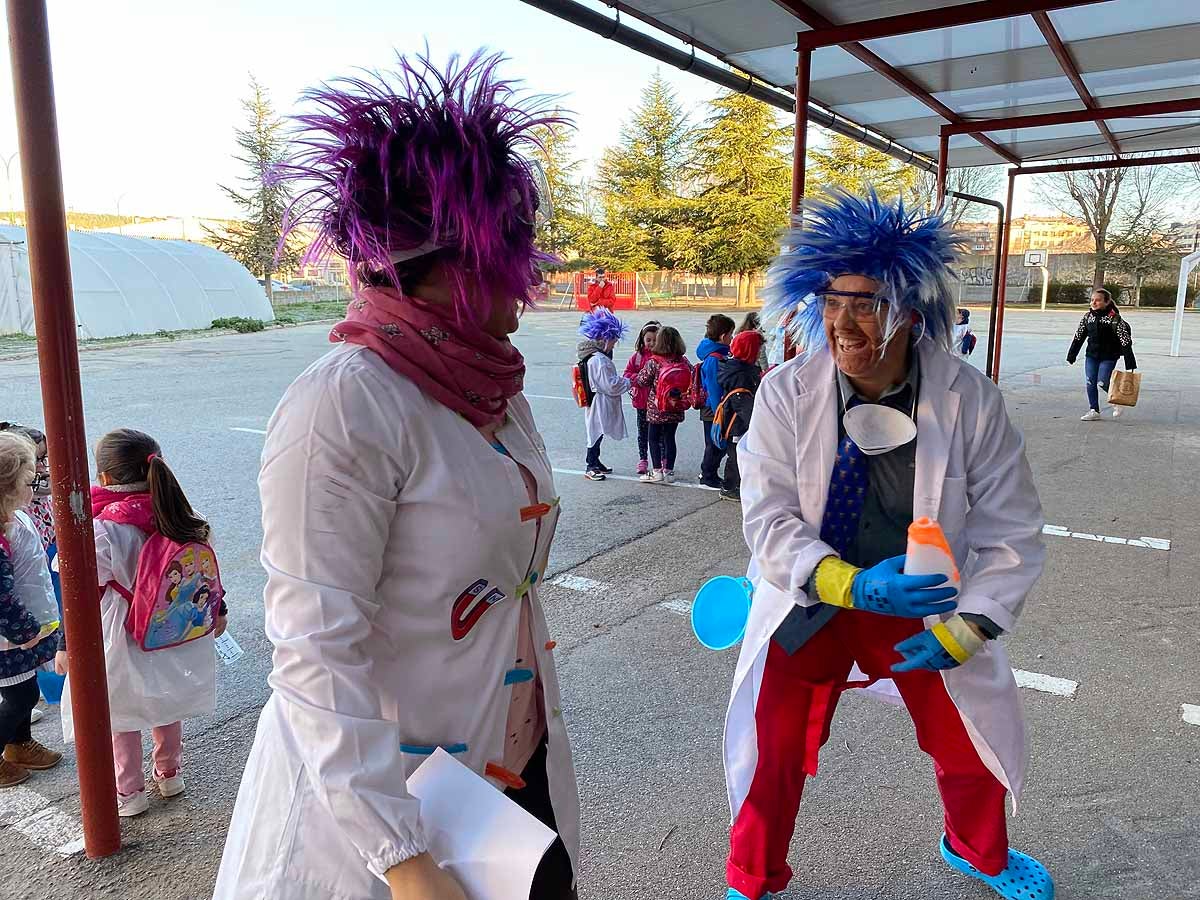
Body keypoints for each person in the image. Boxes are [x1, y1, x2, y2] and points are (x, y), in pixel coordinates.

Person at [213, 51, 580, 900]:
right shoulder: (343, 406)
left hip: (506, 774)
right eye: (510, 260)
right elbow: (313, 653)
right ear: (445, 270)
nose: (525, 290)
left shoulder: (493, 385)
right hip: (382, 820)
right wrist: (403, 861)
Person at [723, 190, 1052, 900]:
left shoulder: (969, 400)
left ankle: (974, 849)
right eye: (832, 300)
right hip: (815, 597)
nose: (842, 322)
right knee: (772, 746)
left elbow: (1012, 526)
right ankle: (753, 876)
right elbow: (768, 516)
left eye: (866, 304)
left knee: (966, 744)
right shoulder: (786, 394)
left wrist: (971, 625)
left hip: (923, 603)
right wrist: (848, 583)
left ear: (911, 309)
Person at [57, 428, 225, 816]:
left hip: (122, 631)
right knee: (166, 702)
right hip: (173, 629)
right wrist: (220, 611)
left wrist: (64, 643)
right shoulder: (187, 515)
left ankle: (129, 794)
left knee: (122, 712)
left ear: (104, 479)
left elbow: (77, 589)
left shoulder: (104, 531)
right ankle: (169, 773)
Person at [0, 431, 62, 788]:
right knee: (20, 693)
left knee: (25, 687)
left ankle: (18, 744)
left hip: (22, 628)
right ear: (6, 487)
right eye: (29, 480)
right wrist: (25, 630)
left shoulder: (13, 515)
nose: (36, 484)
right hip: (10, 634)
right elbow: (1, 598)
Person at [577, 307, 631, 481]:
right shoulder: (599, 360)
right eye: (613, 341)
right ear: (605, 339)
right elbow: (611, 385)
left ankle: (596, 461)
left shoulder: (593, 357)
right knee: (595, 431)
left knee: (598, 430)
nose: (614, 345)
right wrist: (629, 382)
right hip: (599, 400)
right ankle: (590, 465)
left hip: (597, 400)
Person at [1067, 288, 1136, 420]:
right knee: (1090, 382)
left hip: (1109, 356)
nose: (1094, 303)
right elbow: (1078, 337)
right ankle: (1094, 410)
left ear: (1107, 302)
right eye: (1092, 300)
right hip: (1091, 355)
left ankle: (1117, 401)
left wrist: (1130, 361)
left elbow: (1125, 341)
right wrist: (1072, 355)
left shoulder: (1114, 319)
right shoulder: (1088, 317)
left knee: (1102, 381)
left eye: (1098, 300)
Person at [713, 330, 765, 503]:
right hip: (736, 424)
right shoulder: (741, 375)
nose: (759, 352)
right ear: (749, 350)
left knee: (736, 455)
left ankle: (735, 485)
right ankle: (729, 487)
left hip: (734, 421)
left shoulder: (734, 368)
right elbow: (743, 404)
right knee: (736, 456)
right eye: (757, 349)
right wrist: (757, 424)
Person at [636, 325, 689, 484]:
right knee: (670, 438)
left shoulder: (654, 361)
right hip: (676, 405)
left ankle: (657, 471)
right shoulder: (683, 360)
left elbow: (642, 380)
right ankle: (669, 471)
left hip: (657, 407)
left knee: (653, 438)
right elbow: (692, 376)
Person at [698, 315, 736, 489]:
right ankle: (707, 475)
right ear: (723, 336)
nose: (732, 338)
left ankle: (710, 473)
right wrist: (718, 411)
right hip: (713, 407)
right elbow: (713, 387)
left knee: (717, 443)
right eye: (731, 334)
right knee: (714, 443)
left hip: (716, 406)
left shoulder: (719, 354)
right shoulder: (714, 358)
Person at [623, 321, 660, 475]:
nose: (651, 343)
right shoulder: (637, 357)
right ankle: (643, 459)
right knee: (643, 432)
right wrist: (639, 377)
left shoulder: (662, 357)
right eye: (648, 340)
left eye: (655, 340)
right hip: (641, 402)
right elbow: (626, 374)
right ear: (642, 340)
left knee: (660, 434)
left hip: (659, 403)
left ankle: (663, 460)